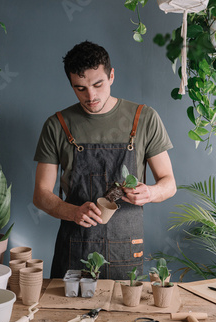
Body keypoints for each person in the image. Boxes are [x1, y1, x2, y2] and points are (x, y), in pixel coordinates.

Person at [33, 41, 176, 279]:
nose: (90, 96)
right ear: (71, 84)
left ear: (111, 75)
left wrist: (150, 193)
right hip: (75, 247)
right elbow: (40, 194)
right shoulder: (57, 125)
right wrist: (72, 212)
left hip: (126, 247)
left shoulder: (144, 118)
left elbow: (169, 183)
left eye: (98, 84)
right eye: (80, 88)